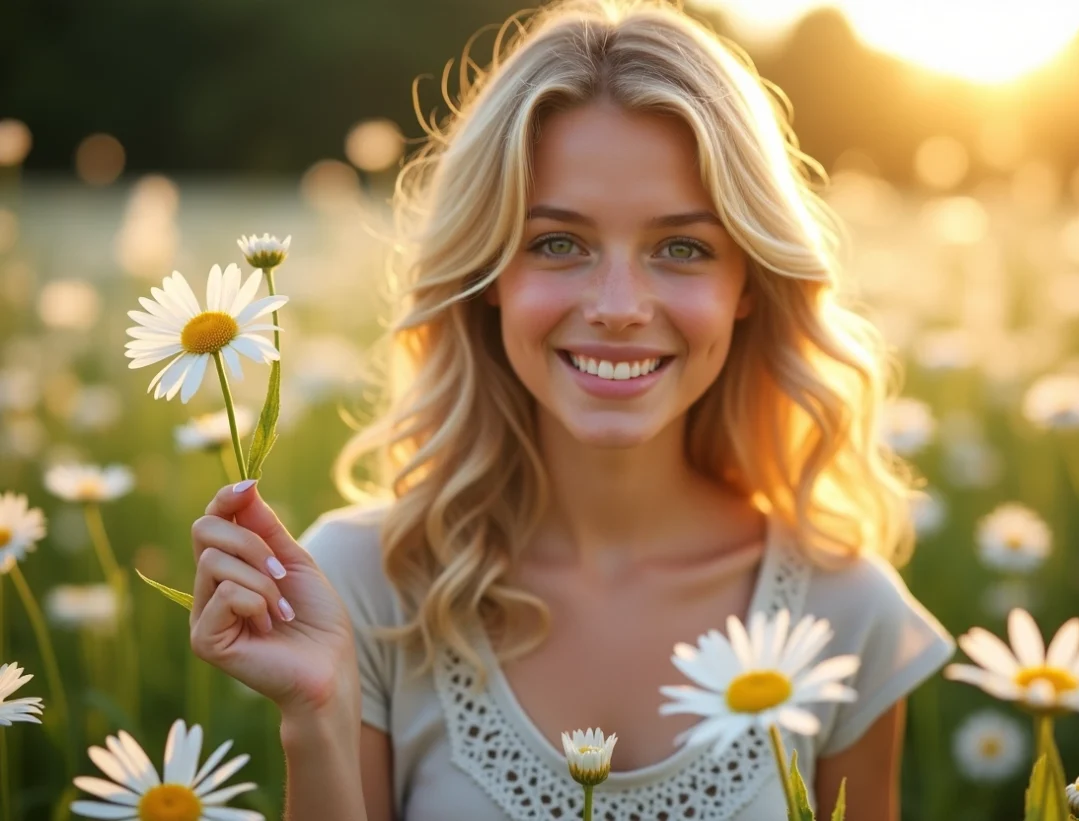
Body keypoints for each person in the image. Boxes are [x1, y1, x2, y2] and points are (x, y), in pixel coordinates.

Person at [187, 1, 954, 819]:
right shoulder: (363, 586)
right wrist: (316, 717)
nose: (619, 306)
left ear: (749, 288)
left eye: (682, 248)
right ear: (487, 278)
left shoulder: (847, 610)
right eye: (559, 242)